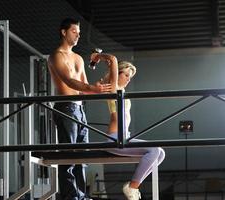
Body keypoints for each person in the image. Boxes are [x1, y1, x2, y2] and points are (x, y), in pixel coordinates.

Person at [48, 17, 114, 200]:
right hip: (65, 107)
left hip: (80, 109)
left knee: (82, 157)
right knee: (68, 156)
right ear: (64, 32)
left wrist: (103, 82)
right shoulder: (56, 56)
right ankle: (71, 197)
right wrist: (93, 88)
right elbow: (69, 81)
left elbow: (84, 87)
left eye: (79, 32)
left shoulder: (78, 58)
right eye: (74, 31)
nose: (78, 35)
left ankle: (81, 196)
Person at [90, 53, 165, 200]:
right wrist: (98, 56)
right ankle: (132, 187)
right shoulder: (113, 88)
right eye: (126, 75)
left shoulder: (122, 92)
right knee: (154, 150)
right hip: (114, 139)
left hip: (124, 137)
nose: (129, 79)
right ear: (117, 74)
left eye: (131, 77)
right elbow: (112, 59)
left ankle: (133, 187)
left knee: (160, 153)